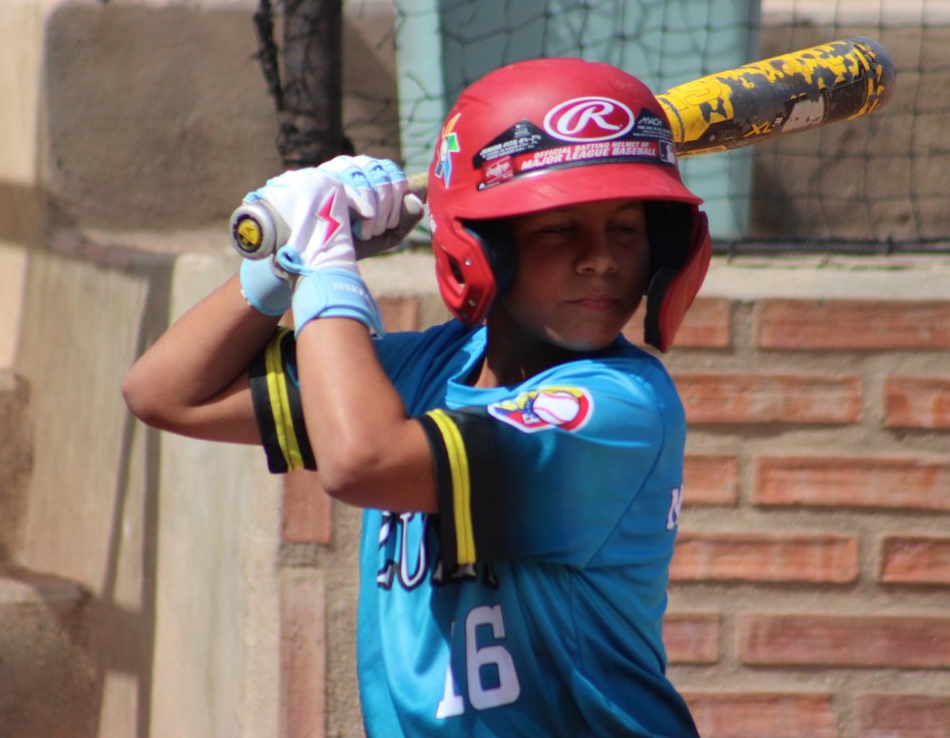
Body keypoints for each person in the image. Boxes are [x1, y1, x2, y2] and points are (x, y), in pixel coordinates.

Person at [122, 56, 711, 736]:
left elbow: (361, 461)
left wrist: (327, 268)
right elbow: (166, 393)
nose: (601, 258)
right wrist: (278, 265)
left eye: (627, 229)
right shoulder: (436, 364)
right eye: (558, 228)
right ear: (487, 244)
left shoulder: (618, 410)